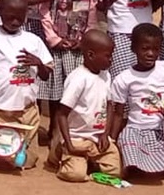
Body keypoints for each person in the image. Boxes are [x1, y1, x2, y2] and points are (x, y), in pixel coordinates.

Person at [0, 0, 53, 170]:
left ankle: (18, 151)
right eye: (10, 17)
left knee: (27, 161)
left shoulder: (34, 40)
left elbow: (45, 75)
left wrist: (38, 63)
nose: (15, 22)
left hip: (27, 113)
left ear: (27, 14)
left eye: (20, 17)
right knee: (0, 159)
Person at [108, 23, 164, 184]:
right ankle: (130, 166)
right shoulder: (124, 78)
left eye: (155, 49)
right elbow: (118, 113)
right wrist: (112, 139)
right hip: (137, 128)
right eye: (145, 49)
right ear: (133, 48)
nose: (150, 54)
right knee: (126, 138)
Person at [39, 0, 96, 139]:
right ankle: (54, 129)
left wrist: (86, 37)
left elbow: (93, 9)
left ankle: (74, 130)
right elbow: (44, 11)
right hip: (58, 44)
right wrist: (53, 38)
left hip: (80, 44)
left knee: (76, 88)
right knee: (56, 90)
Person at [51, 30, 119, 183]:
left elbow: (110, 106)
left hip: (98, 138)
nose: (111, 60)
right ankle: (60, 151)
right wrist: (69, 144)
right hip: (77, 138)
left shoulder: (106, 75)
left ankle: (88, 161)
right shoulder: (78, 79)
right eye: (108, 56)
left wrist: (105, 134)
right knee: (75, 175)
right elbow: (62, 114)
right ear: (90, 55)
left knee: (115, 171)